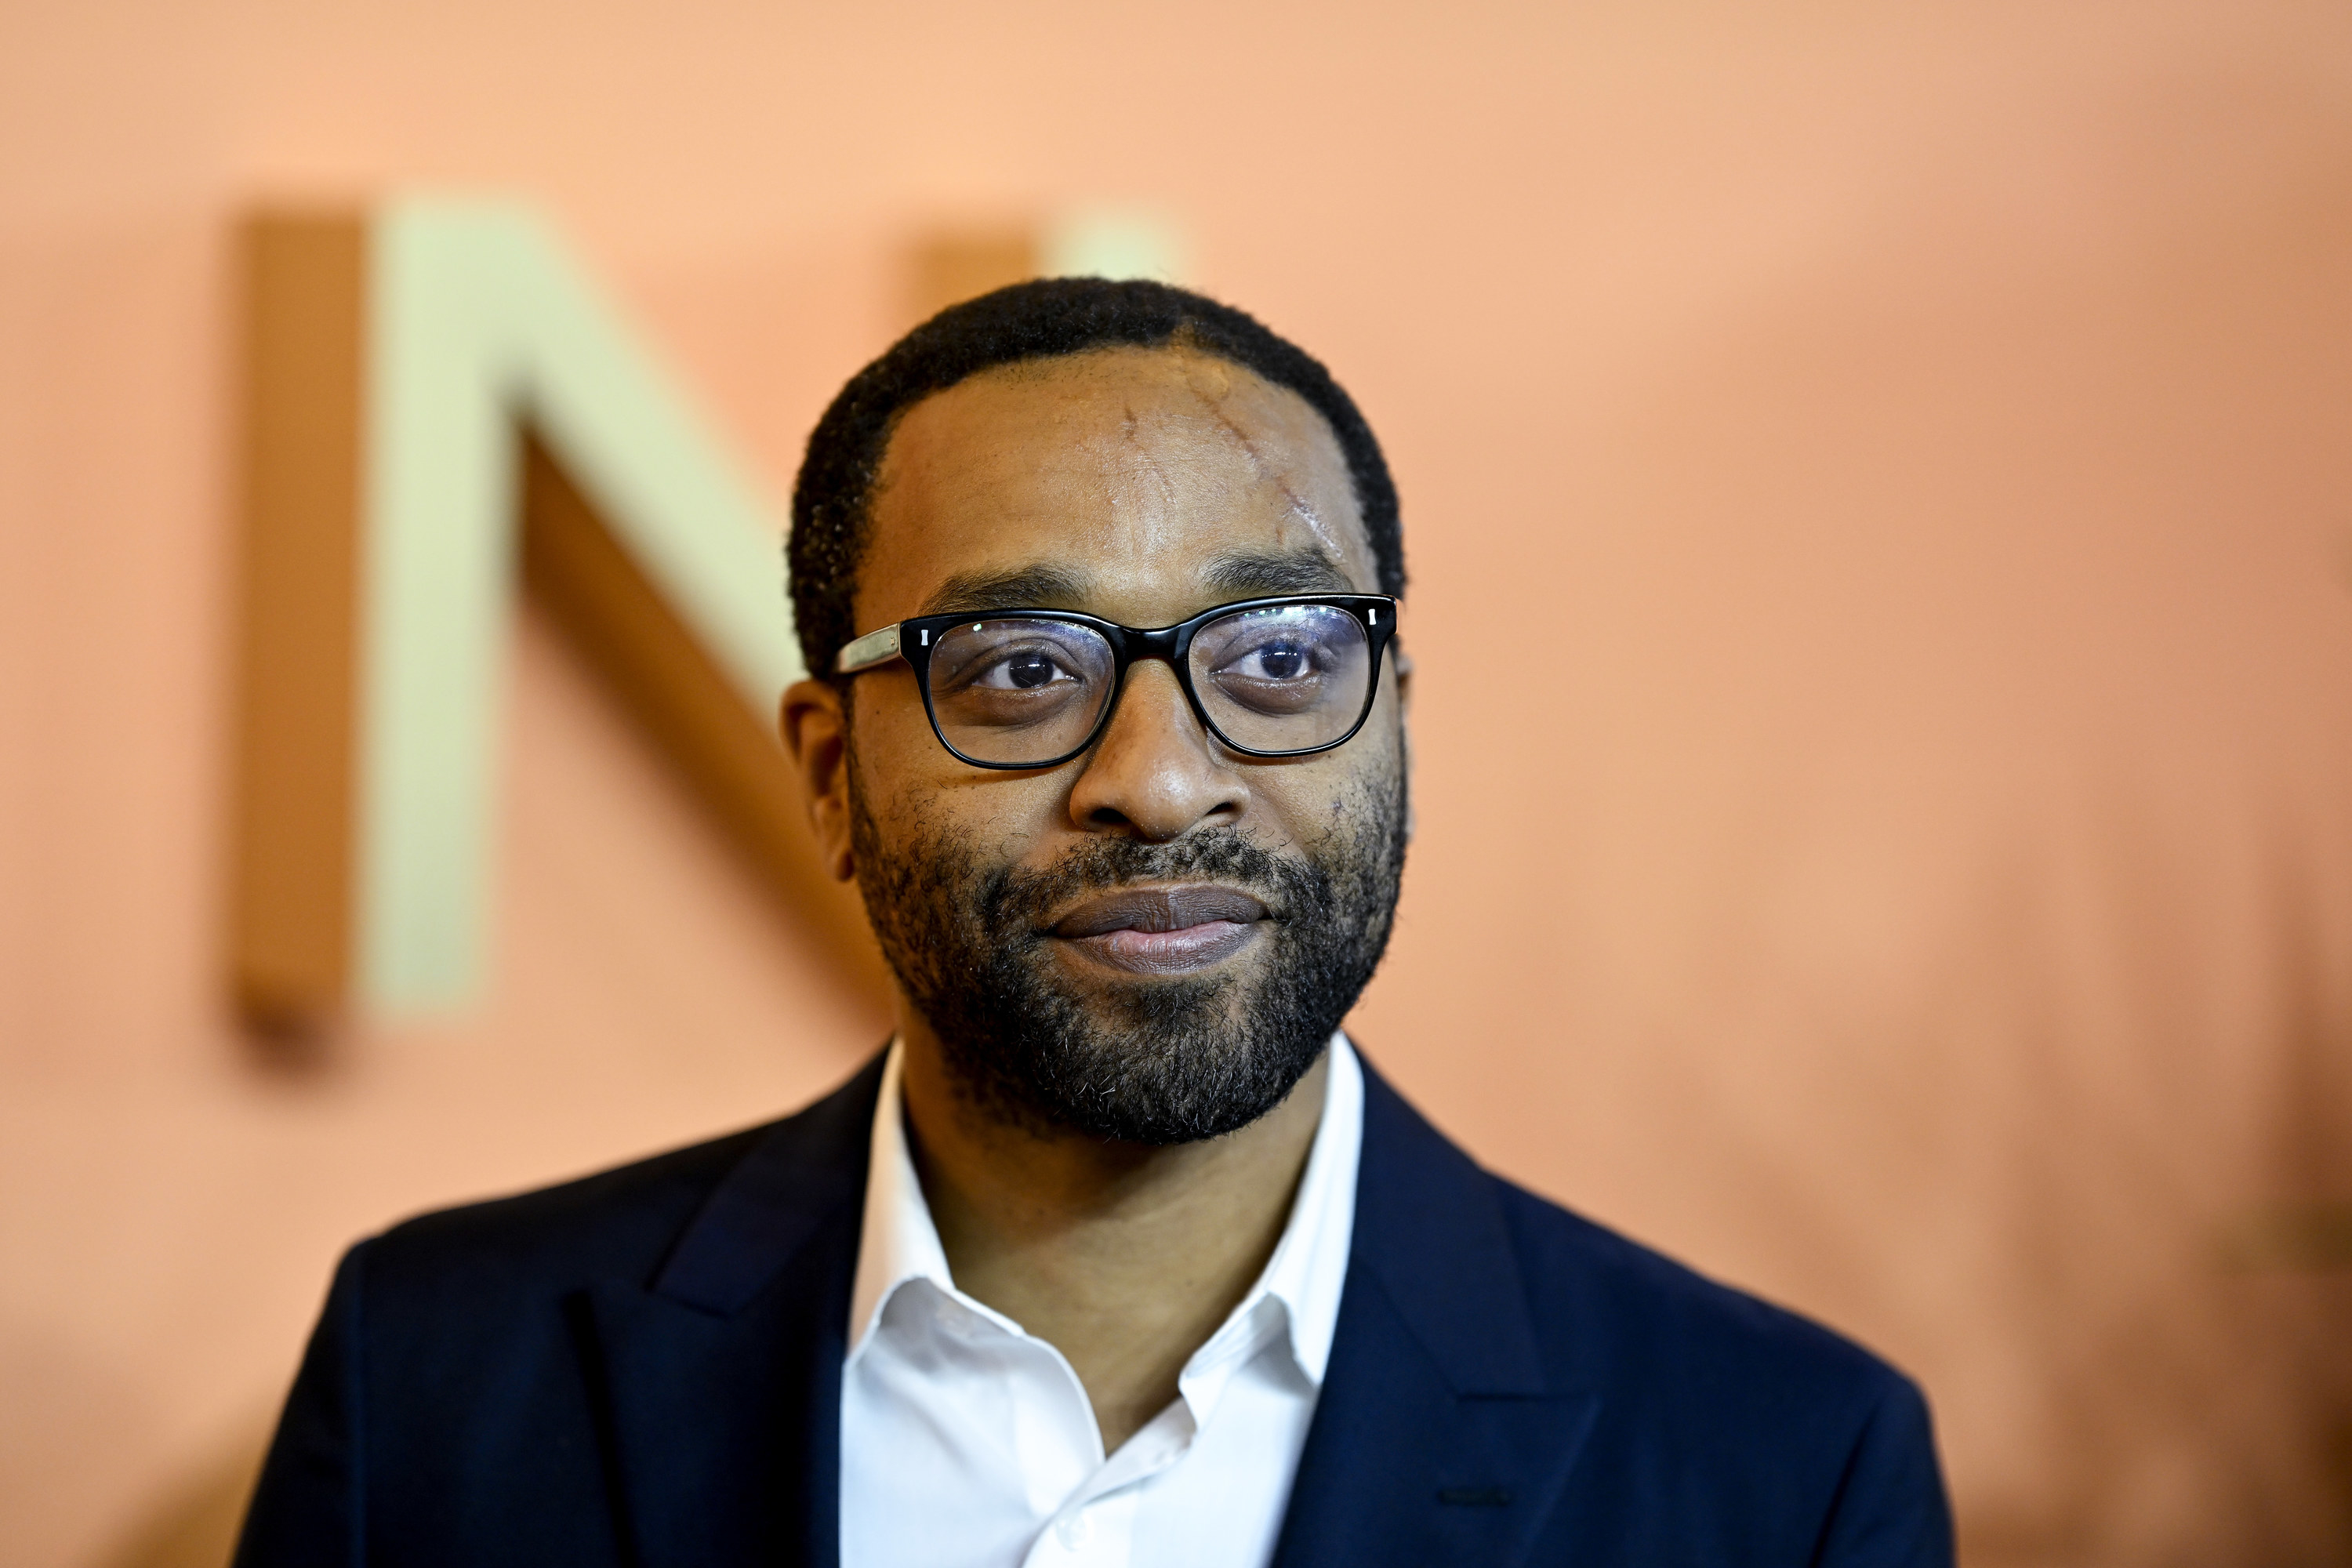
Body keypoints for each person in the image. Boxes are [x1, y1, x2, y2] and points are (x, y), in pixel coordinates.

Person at [234, 279, 1954, 1567]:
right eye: (1019, 669)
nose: (1160, 778)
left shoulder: (1782, 1469)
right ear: (831, 774)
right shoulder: (442, 1384)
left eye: (1278, 658)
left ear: (1395, 720)